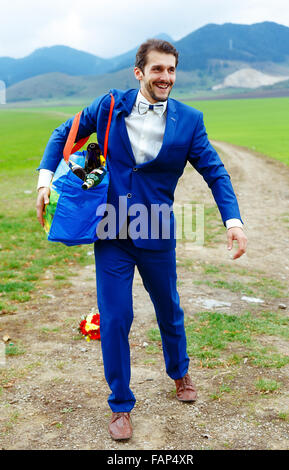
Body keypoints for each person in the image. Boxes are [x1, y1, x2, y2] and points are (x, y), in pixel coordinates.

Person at [36, 39, 247, 441]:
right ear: (139, 73)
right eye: (157, 70)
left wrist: (233, 221)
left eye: (170, 70)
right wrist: (45, 181)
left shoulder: (190, 120)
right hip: (112, 230)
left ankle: (180, 371)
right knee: (115, 318)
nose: (165, 77)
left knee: (169, 308)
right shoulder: (110, 106)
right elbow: (64, 133)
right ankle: (120, 404)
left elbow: (216, 173)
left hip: (157, 230)